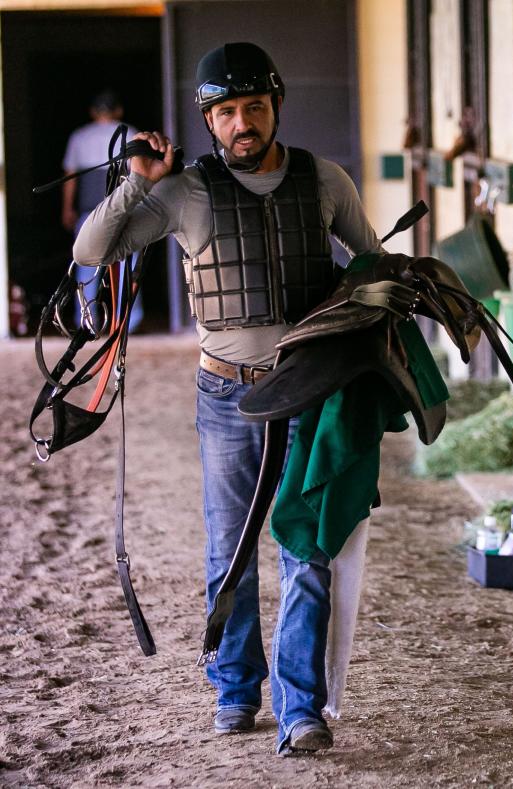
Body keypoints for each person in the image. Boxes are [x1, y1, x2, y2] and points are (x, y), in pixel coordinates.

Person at [73, 42, 382, 756]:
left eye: (253, 107)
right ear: (208, 121)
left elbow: (371, 265)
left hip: (309, 389)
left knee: (307, 548)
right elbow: (93, 250)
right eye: (225, 113)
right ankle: (236, 690)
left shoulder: (326, 181)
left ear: (275, 106)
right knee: (232, 551)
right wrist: (135, 181)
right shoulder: (184, 192)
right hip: (226, 394)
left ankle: (300, 706)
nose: (241, 123)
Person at [62, 89, 144, 332]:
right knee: (128, 268)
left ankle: (87, 321)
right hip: (124, 209)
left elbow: (71, 177)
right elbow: (139, 176)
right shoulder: (129, 132)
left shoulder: (79, 137)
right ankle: (127, 321)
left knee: (86, 266)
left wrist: (67, 209)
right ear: (118, 110)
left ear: (92, 112)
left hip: (90, 210)